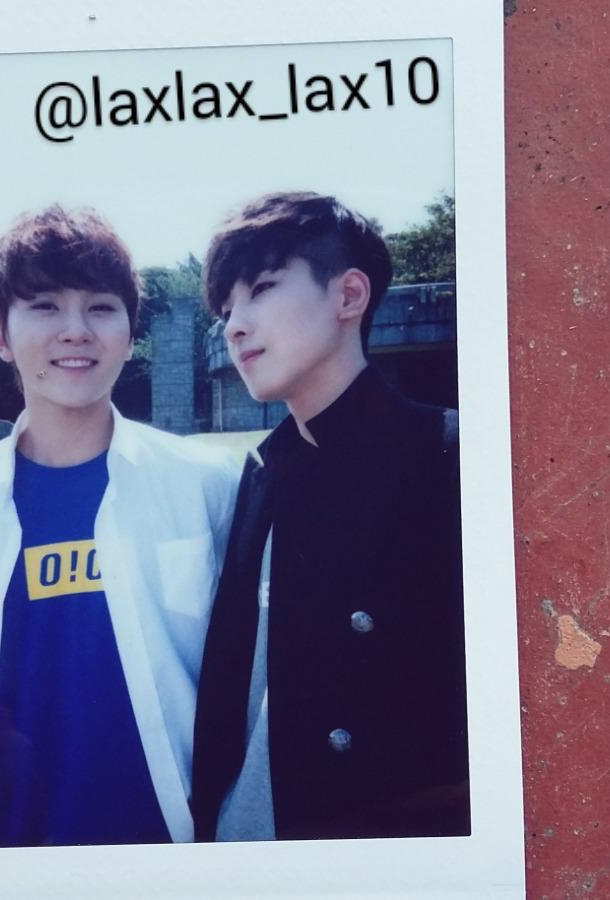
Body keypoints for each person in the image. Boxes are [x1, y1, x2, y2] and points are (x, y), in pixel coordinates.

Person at [0, 204, 238, 849]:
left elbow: (246, 691)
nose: (76, 331)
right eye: (45, 307)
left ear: (131, 335)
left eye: (101, 308)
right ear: (2, 336)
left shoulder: (206, 484)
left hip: (176, 848)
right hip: (8, 854)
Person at [192, 191, 469, 842]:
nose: (234, 326)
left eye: (261, 289)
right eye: (227, 309)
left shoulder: (450, 459)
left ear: (349, 295)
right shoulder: (263, 470)